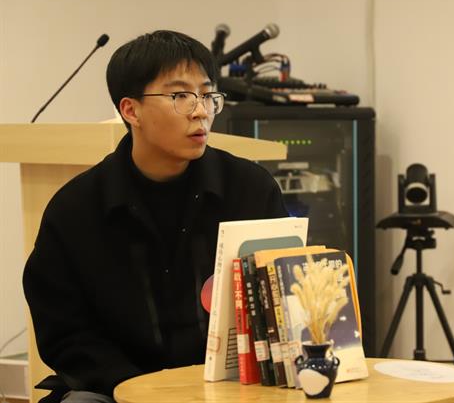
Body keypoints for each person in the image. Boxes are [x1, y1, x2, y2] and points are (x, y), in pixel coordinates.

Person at [23, 30, 287, 402]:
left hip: (230, 387)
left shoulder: (251, 190)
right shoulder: (76, 209)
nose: (200, 111)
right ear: (131, 110)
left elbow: (282, 299)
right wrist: (139, 390)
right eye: (180, 96)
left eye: (207, 95)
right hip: (115, 390)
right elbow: (64, 333)